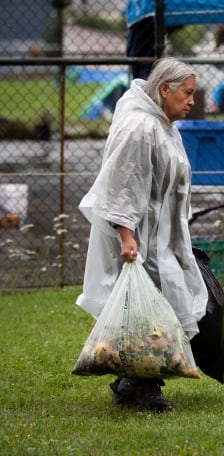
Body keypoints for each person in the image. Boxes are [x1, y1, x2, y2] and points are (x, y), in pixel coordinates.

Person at [76, 58, 209, 412]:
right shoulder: (140, 127)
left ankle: (132, 381)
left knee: (157, 306)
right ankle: (141, 386)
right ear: (164, 90)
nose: (192, 101)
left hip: (159, 237)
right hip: (139, 238)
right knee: (148, 311)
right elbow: (123, 186)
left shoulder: (162, 125)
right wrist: (127, 237)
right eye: (187, 93)